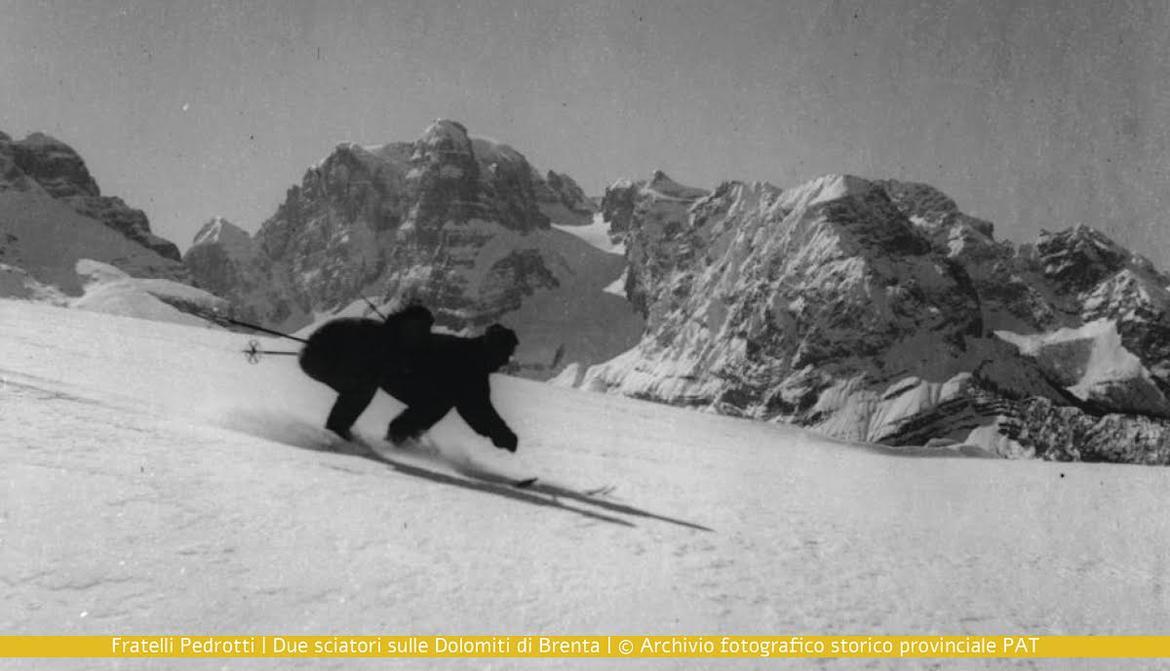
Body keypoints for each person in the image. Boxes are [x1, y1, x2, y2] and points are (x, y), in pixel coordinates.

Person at [298, 305, 434, 441]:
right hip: (318, 356)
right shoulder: (381, 337)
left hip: (320, 354)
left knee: (365, 384)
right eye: (421, 329)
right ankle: (336, 431)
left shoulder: (389, 336)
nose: (424, 335)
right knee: (363, 386)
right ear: (407, 325)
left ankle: (339, 428)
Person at [380, 324, 520, 452]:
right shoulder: (470, 364)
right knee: (439, 401)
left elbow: (476, 407)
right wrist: (502, 435)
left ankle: (401, 438)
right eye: (505, 354)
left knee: (439, 400)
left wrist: (501, 434)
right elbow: (476, 407)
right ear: (495, 350)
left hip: (398, 369)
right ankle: (397, 440)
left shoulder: (471, 356)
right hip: (394, 368)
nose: (506, 361)